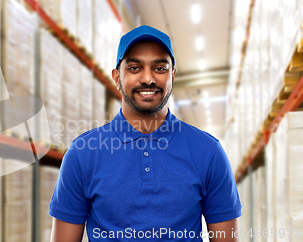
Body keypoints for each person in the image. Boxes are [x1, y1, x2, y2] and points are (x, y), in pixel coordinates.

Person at [48, 25, 242, 241]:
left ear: (173, 75)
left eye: (160, 68)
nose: (148, 78)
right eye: (134, 68)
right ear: (116, 76)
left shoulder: (208, 151)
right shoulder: (82, 154)